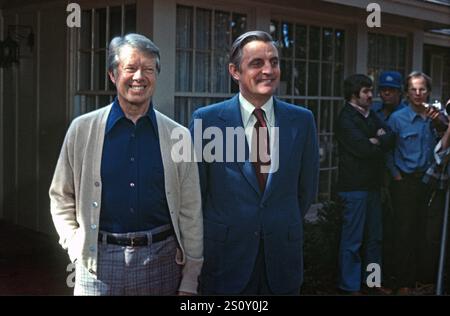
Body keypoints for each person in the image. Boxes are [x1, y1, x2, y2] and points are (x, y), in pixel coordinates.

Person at [49, 33, 203, 295]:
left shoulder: (178, 136)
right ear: (112, 75)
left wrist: (190, 278)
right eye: (130, 68)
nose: (139, 77)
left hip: (162, 263)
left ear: (156, 76)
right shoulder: (82, 130)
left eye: (148, 69)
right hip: (97, 264)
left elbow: (191, 211)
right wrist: (75, 245)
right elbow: (60, 196)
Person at [189, 30, 319, 295]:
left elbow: (306, 190)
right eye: (257, 63)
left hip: (282, 261)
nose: (268, 70)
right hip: (226, 261)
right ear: (235, 71)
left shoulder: (302, 120)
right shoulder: (208, 121)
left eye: (274, 62)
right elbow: (195, 196)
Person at [335, 74, 395, 295]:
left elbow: (391, 137)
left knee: (374, 239)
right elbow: (363, 149)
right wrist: (377, 140)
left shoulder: (371, 116)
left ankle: (373, 282)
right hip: (354, 188)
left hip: (373, 186)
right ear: (354, 95)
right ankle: (349, 287)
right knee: (353, 241)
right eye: (366, 91)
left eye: (371, 90)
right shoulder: (346, 119)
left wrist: (376, 139)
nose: (371, 95)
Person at [387, 71, 444, 295]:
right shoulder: (397, 119)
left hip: (428, 181)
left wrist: (439, 120)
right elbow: (387, 151)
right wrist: (396, 176)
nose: (418, 93)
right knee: (404, 232)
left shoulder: (434, 117)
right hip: (405, 181)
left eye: (422, 89)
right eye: (413, 89)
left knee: (425, 233)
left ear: (428, 91)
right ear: (407, 93)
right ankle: (404, 282)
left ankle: (424, 280)